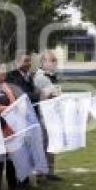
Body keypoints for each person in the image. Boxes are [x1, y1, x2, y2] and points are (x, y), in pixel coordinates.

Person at [0, 65, 25, 190]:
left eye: (4, 71)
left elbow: (13, 102)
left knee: (11, 156)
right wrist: (7, 109)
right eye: (1, 71)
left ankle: (13, 185)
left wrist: (14, 109)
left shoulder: (7, 86)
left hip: (10, 126)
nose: (4, 73)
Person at [33, 51, 62, 181]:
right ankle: (41, 172)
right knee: (43, 144)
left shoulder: (51, 76)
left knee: (51, 143)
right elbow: (52, 94)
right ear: (43, 62)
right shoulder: (40, 77)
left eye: (55, 61)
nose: (55, 63)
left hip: (52, 114)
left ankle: (50, 171)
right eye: (52, 60)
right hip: (43, 115)